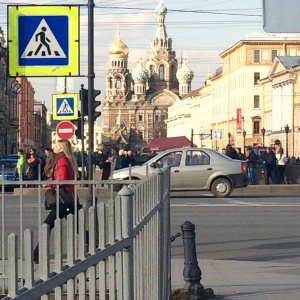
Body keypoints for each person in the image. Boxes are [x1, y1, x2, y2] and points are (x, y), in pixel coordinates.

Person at [33, 139, 85, 263]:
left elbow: (61, 179)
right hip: (69, 199)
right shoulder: (66, 160)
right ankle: (96, 244)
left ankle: (37, 255)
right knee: (77, 227)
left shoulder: (62, 161)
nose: (54, 147)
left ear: (62, 149)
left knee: (46, 225)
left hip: (63, 200)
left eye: (56, 146)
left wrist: (49, 184)